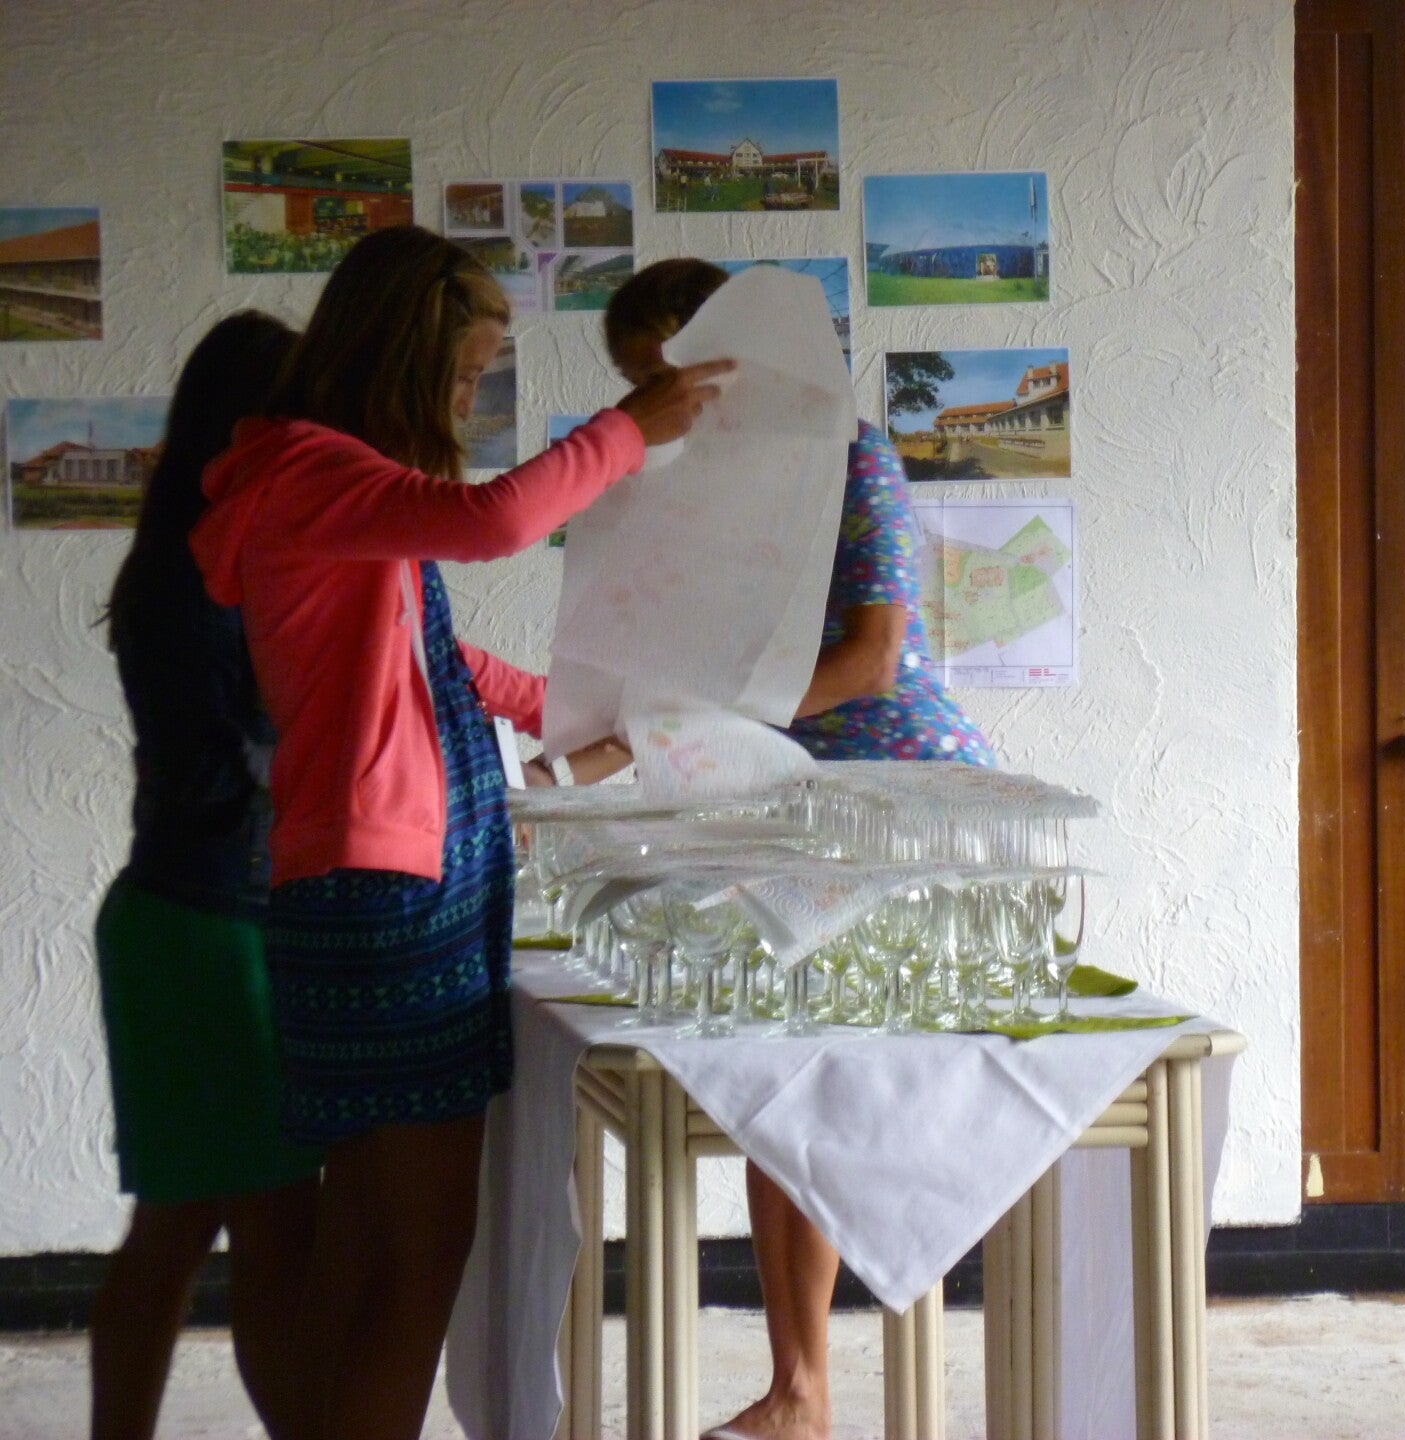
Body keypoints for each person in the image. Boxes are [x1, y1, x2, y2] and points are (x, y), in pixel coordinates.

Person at [188, 226, 731, 1440]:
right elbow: (495, 522)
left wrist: (581, 711)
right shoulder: (315, 472)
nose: (470, 402)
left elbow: (428, 654)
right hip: (389, 893)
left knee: (363, 1244)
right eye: (466, 375)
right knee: (419, 1257)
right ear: (402, 359)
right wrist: (631, 425)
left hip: (355, 884)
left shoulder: (320, 486)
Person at [604, 258, 994, 1440]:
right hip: (782, 790)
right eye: (640, 387)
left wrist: (702, 726)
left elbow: (870, 661)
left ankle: (803, 1390)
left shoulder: (852, 456)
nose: (663, 410)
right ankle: (799, 1390)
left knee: (809, 1078)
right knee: (778, 1080)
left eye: (670, 379)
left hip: (896, 794)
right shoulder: (700, 483)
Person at [90, 312, 321, 1440]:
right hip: (205, 925)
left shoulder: (209, 559)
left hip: (204, 918)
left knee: (200, 1227)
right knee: (250, 1226)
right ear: (249, 427)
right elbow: (226, 771)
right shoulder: (196, 577)